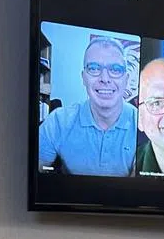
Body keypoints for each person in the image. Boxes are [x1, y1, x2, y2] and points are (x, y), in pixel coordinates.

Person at [38, 37, 137, 176]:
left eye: (115, 69)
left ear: (126, 80)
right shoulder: (58, 121)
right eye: (94, 68)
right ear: (83, 77)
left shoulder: (143, 125)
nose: (105, 78)